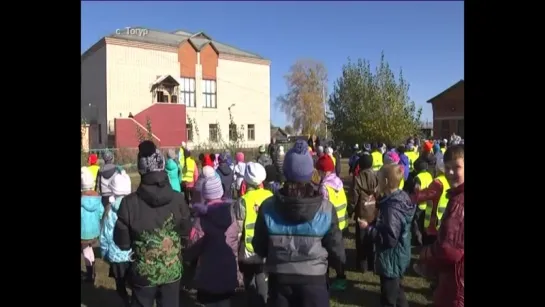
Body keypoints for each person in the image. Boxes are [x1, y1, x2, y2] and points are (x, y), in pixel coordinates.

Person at [252, 140, 346, 307]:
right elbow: (336, 248)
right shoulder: (325, 209)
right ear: (311, 173)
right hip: (314, 281)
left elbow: (259, 247)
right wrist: (337, 265)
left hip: (279, 281)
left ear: (285, 172)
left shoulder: (267, 207)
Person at [113, 141, 192, 307]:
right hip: (172, 271)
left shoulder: (129, 204)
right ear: (162, 166)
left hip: (143, 274)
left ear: (140, 169)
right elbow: (186, 233)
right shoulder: (178, 199)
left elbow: (123, 244)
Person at [357, 164, 415, 307]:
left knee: (388, 297)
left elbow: (389, 238)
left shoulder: (392, 208)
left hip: (391, 259)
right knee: (397, 291)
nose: (377, 182)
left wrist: (368, 229)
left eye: (379, 179)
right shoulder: (399, 198)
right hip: (398, 255)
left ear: (387, 182)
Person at [417, 145, 464, 307]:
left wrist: (427, 253)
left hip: (456, 281)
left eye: (456, 167)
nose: (450, 172)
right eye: (448, 167)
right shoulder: (455, 192)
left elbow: (448, 249)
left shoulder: (457, 199)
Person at [185, 175, 241, 307]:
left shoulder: (201, 220)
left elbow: (192, 248)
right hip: (228, 270)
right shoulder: (231, 215)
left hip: (208, 274)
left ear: (205, 194)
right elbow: (234, 242)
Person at [235, 162, 271, 307]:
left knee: (249, 276)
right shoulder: (270, 196)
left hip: (248, 248)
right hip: (267, 246)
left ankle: (252, 302)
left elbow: (238, 227)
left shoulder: (243, 201)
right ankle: (263, 302)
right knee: (262, 275)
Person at [100, 169, 132, 306]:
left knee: (120, 283)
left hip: (116, 256)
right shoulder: (135, 208)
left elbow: (105, 234)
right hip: (133, 254)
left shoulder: (108, 211)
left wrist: (104, 253)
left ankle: (125, 300)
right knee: (135, 281)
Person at [316, 154, 348, 291]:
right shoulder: (338, 182)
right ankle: (340, 276)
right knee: (339, 251)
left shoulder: (324, 187)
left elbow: (322, 207)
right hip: (341, 222)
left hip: (329, 225)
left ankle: (331, 279)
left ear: (323, 171)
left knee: (327, 253)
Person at [352, 154, 379, 273]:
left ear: (360, 165)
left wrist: (350, 210)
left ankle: (362, 266)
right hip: (374, 213)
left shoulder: (357, 179)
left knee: (361, 240)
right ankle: (372, 264)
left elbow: (354, 199)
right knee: (373, 239)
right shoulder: (378, 177)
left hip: (362, 214)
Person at [81, 166, 104, 283]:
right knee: (89, 249)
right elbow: (101, 212)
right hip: (94, 229)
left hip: (84, 230)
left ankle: (90, 274)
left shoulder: (81, 200)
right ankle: (93, 271)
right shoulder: (97, 198)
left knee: (85, 249)